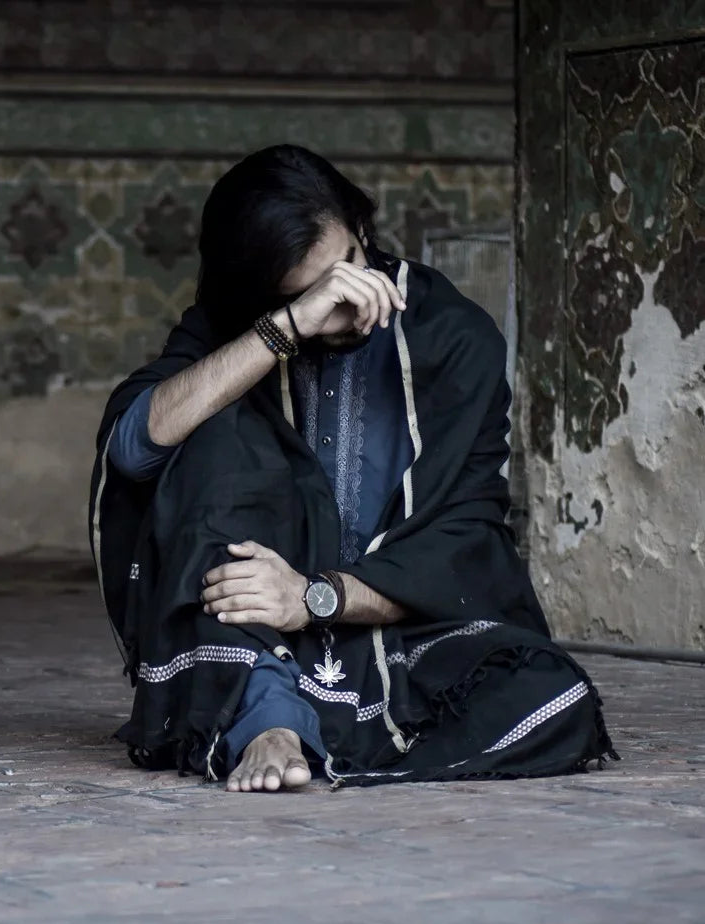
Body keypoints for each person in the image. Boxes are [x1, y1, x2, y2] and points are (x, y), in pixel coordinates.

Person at [89, 145, 616, 792]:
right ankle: (268, 717)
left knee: (553, 702)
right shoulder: (241, 324)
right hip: (250, 623)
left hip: (387, 616)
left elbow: (465, 533)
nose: (342, 298)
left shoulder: (454, 336)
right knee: (211, 428)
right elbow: (133, 449)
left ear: (363, 231)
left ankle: (291, 726)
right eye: (306, 290)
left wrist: (314, 595)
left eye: (348, 265)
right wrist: (284, 328)